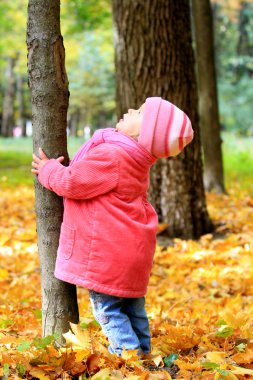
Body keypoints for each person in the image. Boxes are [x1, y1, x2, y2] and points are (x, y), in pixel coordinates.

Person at [31, 97, 194, 356]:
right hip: (130, 254)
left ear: (145, 132)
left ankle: (128, 357)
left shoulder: (113, 155)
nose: (130, 110)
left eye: (139, 112)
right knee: (133, 309)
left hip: (108, 256)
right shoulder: (137, 160)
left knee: (108, 310)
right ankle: (144, 355)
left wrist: (48, 169)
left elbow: (72, 182)